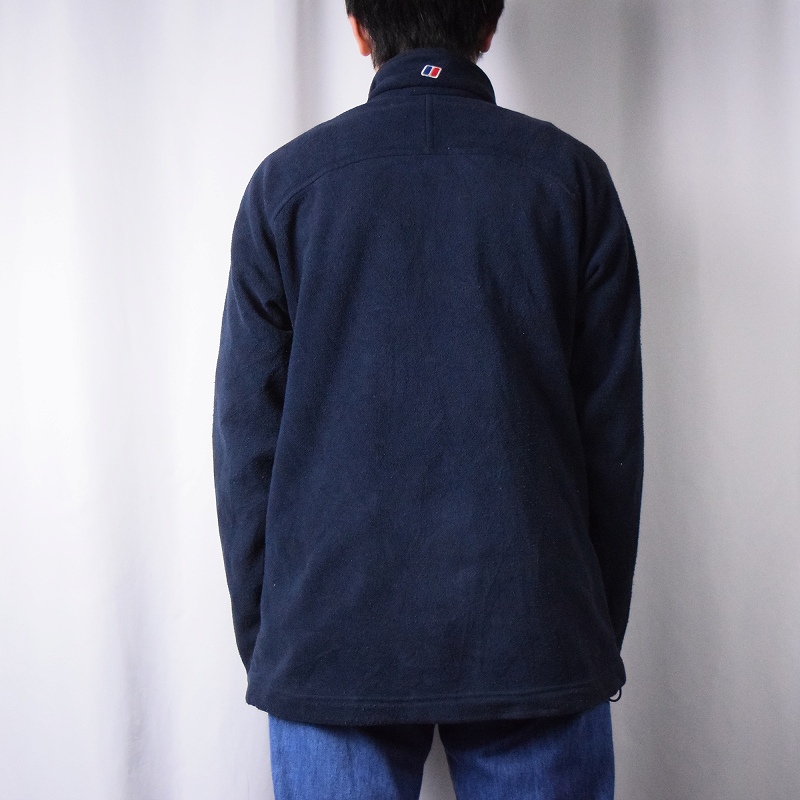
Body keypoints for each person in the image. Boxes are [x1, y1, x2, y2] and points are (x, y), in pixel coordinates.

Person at [212, 1, 643, 797]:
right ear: (489, 23)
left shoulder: (286, 188)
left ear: (357, 26)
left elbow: (247, 450)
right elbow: (612, 445)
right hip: (536, 630)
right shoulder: (571, 181)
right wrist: (580, 633)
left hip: (328, 639)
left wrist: (277, 647)